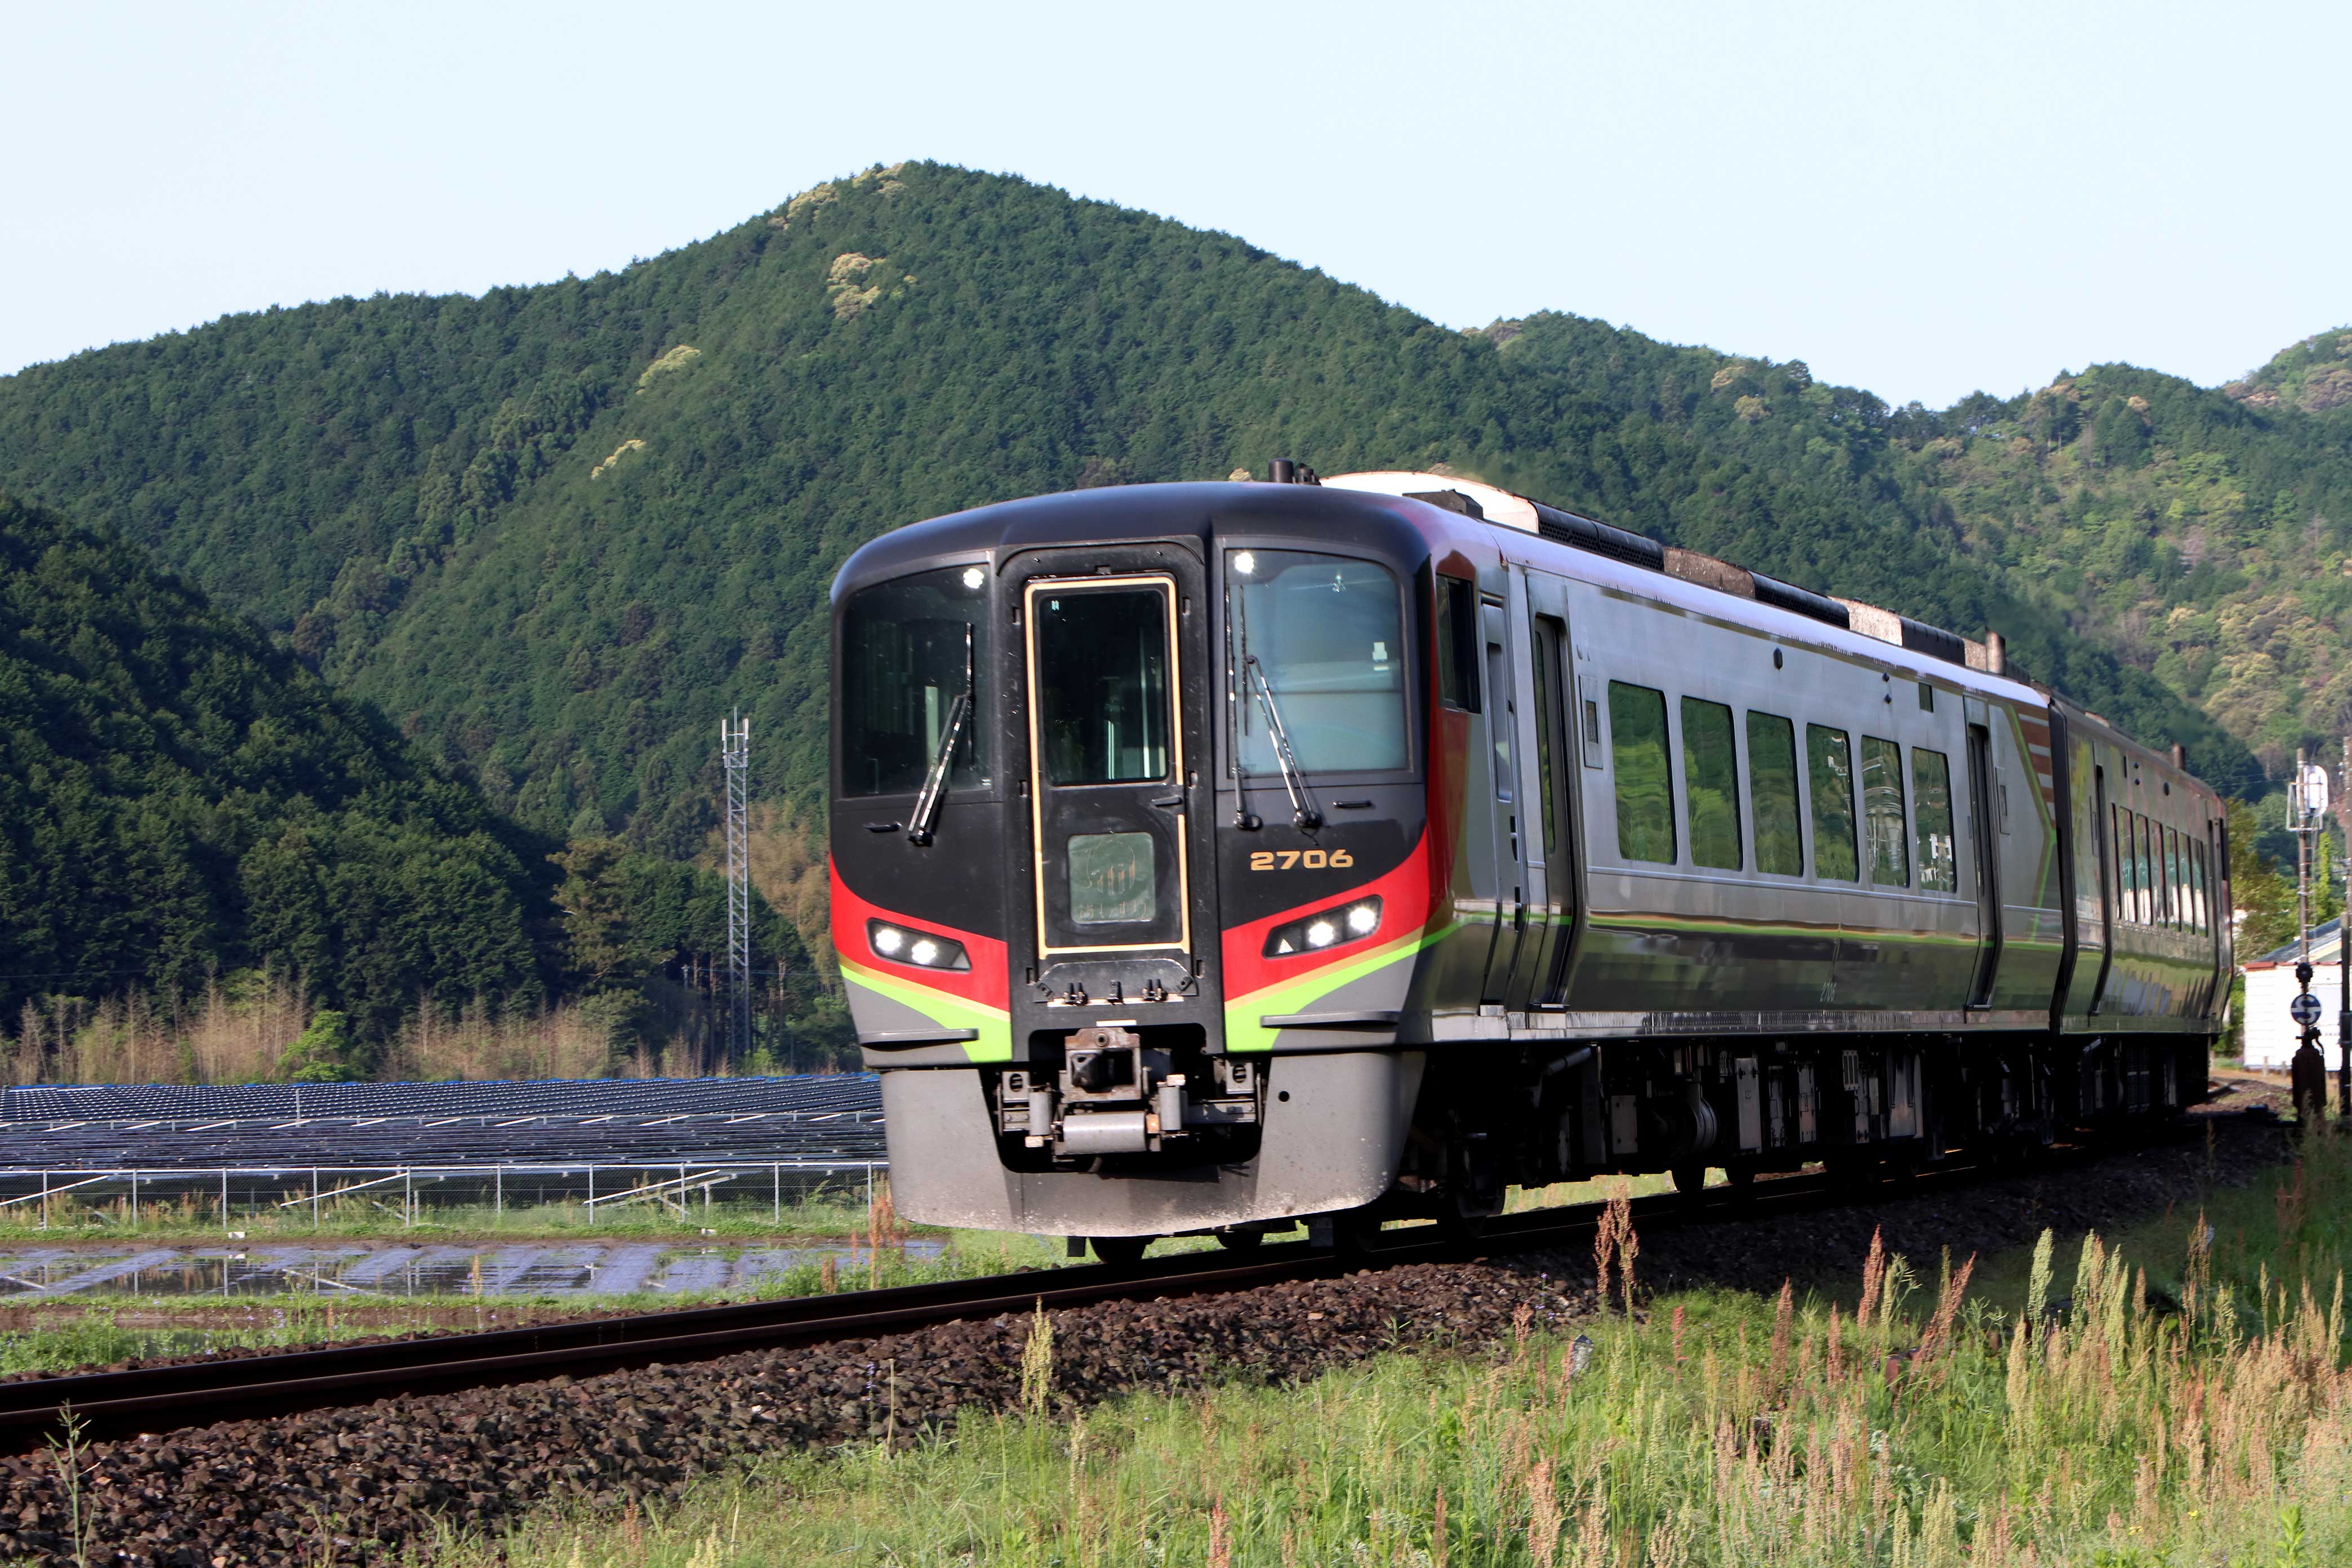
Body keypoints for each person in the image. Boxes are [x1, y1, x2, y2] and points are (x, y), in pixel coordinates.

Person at [2291, 1030, 2331, 1128]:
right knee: (2317, 1118)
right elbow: (2322, 1080)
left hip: (2302, 1100)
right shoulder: (2317, 1056)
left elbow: (2296, 1083)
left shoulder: (2298, 1057)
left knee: (2305, 1120)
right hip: (2317, 1099)